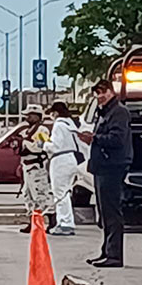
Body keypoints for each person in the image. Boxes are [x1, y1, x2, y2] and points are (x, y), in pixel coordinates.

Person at [85, 79, 133, 268]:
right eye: (97, 93)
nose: (99, 96)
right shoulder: (104, 113)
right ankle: (106, 251)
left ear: (112, 92)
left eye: (103, 92)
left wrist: (94, 138)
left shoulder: (119, 112)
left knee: (112, 212)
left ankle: (115, 255)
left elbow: (117, 139)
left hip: (112, 166)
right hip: (102, 166)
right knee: (104, 213)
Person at [44, 101, 85, 236]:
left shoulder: (59, 125)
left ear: (55, 113)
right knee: (66, 191)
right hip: (73, 158)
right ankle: (66, 222)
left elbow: (55, 146)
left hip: (60, 159)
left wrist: (43, 144)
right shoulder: (71, 124)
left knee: (59, 192)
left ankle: (65, 224)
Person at [18, 104, 55, 234]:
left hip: (37, 167)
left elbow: (41, 147)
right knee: (28, 195)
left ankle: (52, 221)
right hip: (26, 166)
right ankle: (33, 222)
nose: (27, 117)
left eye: (30, 115)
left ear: (37, 116)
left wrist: (25, 143)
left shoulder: (41, 130)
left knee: (41, 195)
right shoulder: (26, 131)